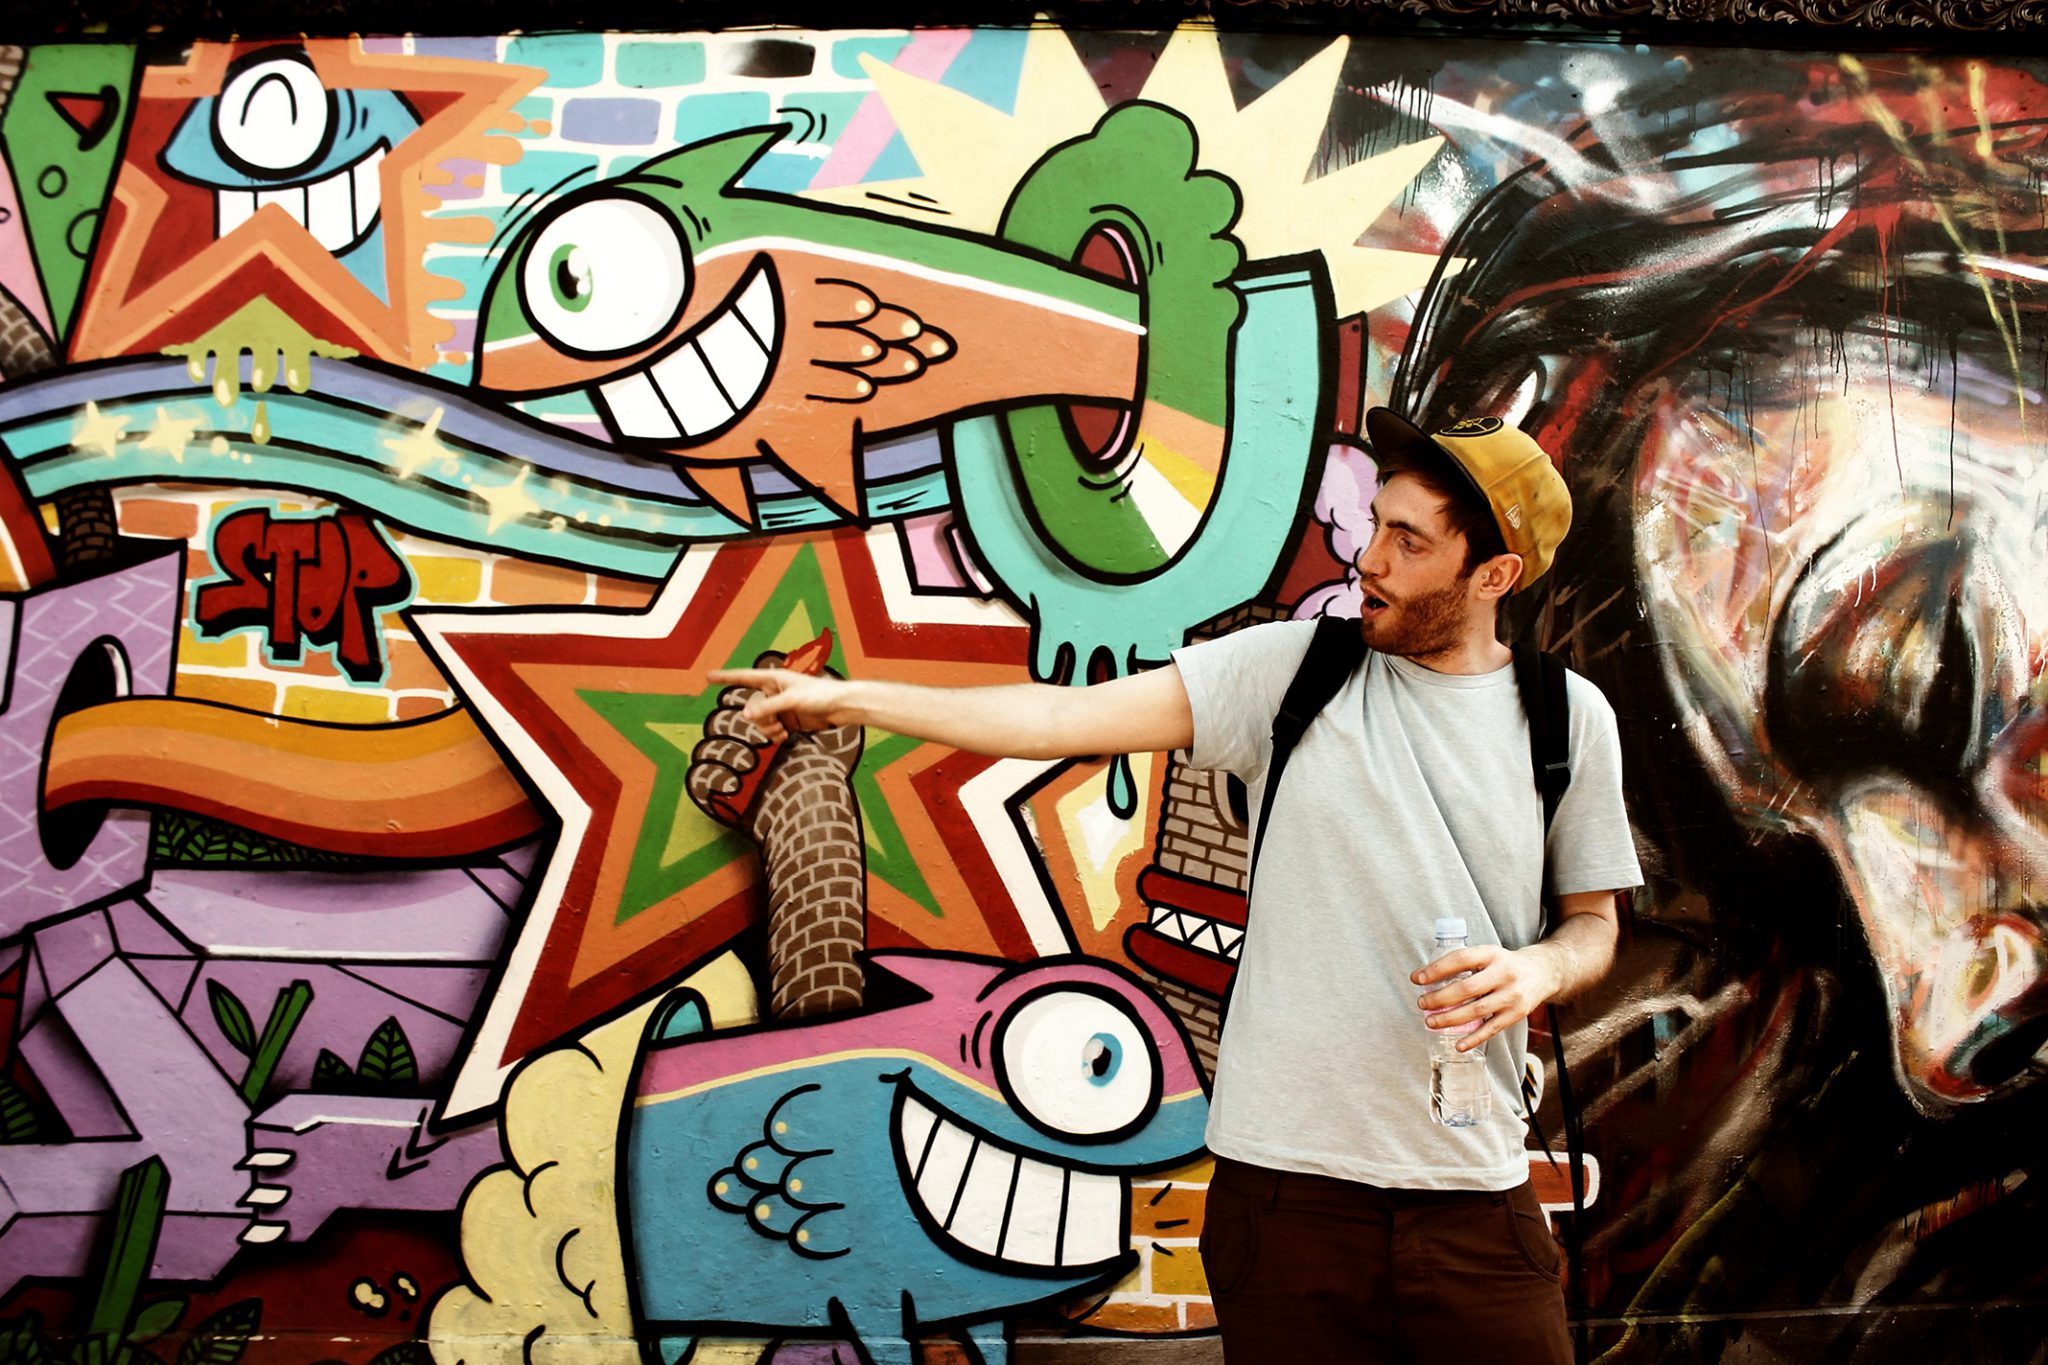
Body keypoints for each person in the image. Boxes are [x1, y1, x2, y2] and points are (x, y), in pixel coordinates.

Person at [709, 406, 1643, 1364]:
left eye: (1410, 542)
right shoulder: (1293, 671)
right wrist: (852, 698)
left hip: (1473, 1196)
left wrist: (1536, 970)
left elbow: (1593, 925)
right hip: (1288, 1199)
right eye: (1375, 525)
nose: (1370, 560)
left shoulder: (1566, 720)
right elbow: (1059, 719)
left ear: (1494, 576)